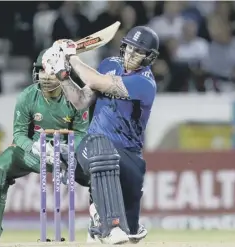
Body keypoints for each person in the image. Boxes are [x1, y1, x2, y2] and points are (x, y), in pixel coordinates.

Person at [43, 26, 159, 244]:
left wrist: (70, 57)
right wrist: (61, 74)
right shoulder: (109, 65)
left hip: (129, 156)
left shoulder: (145, 83)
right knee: (102, 150)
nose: (131, 55)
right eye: (129, 48)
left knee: (131, 233)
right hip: (93, 146)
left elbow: (98, 82)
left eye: (138, 52)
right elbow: (79, 101)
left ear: (148, 57)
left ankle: (100, 218)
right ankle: (107, 223)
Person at [0, 49, 90, 243]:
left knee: (98, 172)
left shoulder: (76, 97)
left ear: (64, 73)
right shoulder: (27, 96)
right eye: (42, 71)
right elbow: (19, 134)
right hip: (34, 154)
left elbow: (81, 134)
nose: (45, 77)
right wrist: (34, 148)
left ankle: (100, 228)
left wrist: (66, 152)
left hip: (65, 155)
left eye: (51, 71)